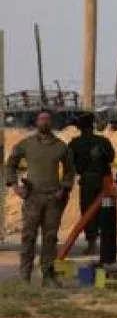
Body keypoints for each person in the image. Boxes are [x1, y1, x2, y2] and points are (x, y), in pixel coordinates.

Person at [4, 110, 76, 285]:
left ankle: (48, 276)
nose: (45, 122)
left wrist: (64, 188)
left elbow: (70, 170)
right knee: (28, 237)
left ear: (51, 122)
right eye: (42, 119)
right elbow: (10, 164)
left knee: (50, 238)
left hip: (53, 198)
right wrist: (15, 186)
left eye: (47, 119)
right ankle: (25, 276)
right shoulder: (26, 144)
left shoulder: (60, 146)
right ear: (36, 122)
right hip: (32, 198)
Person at [67, 112, 115, 256]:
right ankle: (106, 246)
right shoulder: (103, 141)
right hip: (104, 181)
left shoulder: (74, 143)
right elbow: (111, 158)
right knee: (105, 211)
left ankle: (92, 243)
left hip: (87, 181)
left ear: (80, 127)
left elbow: (70, 163)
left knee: (88, 212)